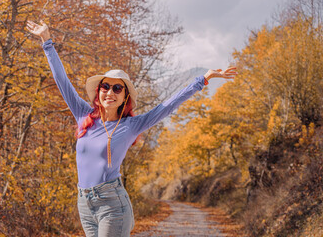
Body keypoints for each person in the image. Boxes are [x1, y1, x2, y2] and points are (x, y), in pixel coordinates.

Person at [26, 20, 237, 237]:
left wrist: (203, 79)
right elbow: (62, 81)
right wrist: (47, 41)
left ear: (125, 97)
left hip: (112, 204)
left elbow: (168, 105)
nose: (110, 92)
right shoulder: (83, 115)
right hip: (84, 204)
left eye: (117, 88)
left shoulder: (132, 125)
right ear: (98, 91)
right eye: (105, 86)